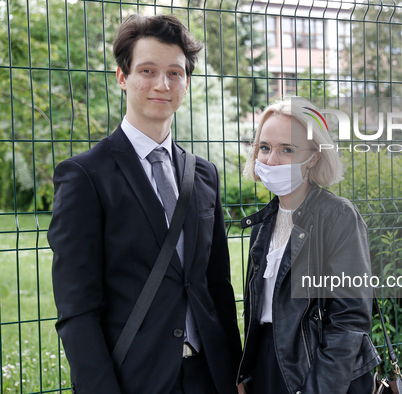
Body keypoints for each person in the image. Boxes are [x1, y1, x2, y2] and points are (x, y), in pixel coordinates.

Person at [48, 14, 242, 394]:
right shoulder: (85, 177)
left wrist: (235, 375)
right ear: (123, 78)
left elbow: (217, 285)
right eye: (147, 70)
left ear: (186, 82)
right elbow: (77, 310)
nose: (162, 84)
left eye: (175, 73)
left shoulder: (204, 175)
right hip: (135, 381)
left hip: (210, 377)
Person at [237, 98, 381, 393]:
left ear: (314, 156)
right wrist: (246, 374)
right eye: (264, 147)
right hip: (268, 363)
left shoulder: (337, 216)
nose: (271, 160)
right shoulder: (264, 222)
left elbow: (350, 320)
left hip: (318, 368)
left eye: (287, 149)